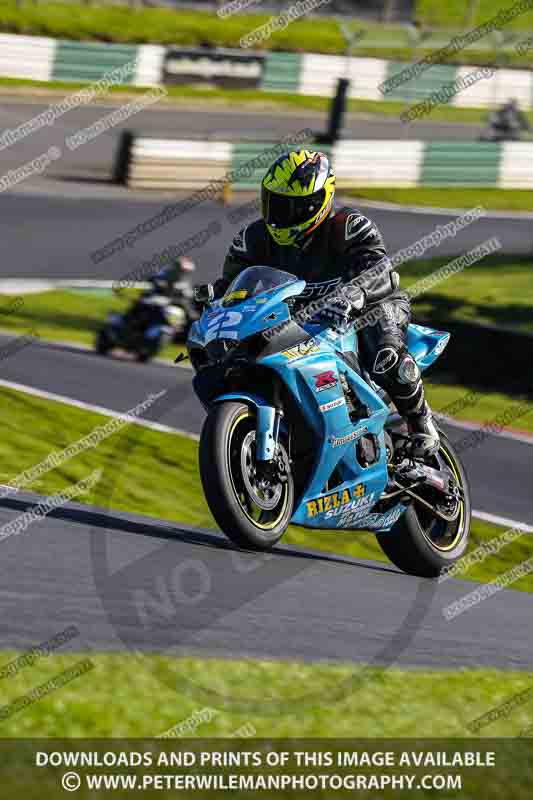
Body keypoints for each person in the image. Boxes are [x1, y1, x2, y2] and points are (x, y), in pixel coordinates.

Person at [208, 150, 440, 458]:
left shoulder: (349, 226)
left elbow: (381, 270)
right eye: (275, 203)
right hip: (299, 325)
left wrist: (354, 294)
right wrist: (212, 307)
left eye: (292, 207)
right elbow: (231, 289)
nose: (280, 215)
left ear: (317, 203)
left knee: (383, 351)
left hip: (367, 308)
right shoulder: (252, 239)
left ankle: (420, 421)